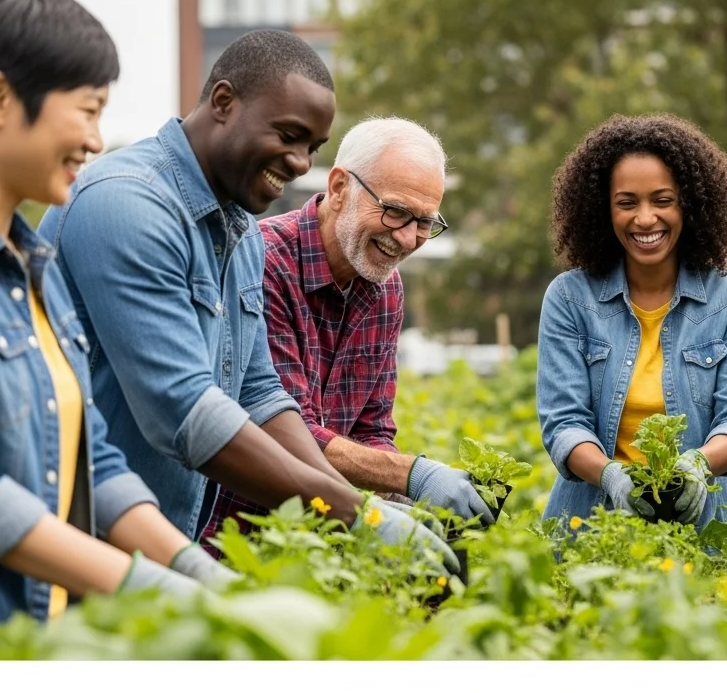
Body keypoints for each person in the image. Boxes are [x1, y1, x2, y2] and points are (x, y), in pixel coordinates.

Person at [38, 30, 457, 574]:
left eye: (312, 146)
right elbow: (183, 408)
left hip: (159, 538)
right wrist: (360, 516)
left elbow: (259, 394)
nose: (300, 162)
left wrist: (364, 512)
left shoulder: (240, 233)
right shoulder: (128, 203)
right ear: (223, 103)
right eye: (289, 135)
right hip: (75, 545)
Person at [0, 0, 239, 650]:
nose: (98, 140)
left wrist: (189, 568)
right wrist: (137, 583)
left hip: (43, 639)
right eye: (89, 110)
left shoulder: (37, 263)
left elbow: (87, 456)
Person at [199, 116, 492, 553]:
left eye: (425, 223)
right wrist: (412, 475)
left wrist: (400, 507)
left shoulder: (384, 285)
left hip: (324, 540)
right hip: (232, 539)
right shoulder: (260, 262)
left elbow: (372, 427)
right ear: (339, 188)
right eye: (395, 211)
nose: (408, 238)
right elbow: (284, 431)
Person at [537, 113, 727, 529]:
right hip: (589, 529)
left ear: (690, 205)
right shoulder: (570, 298)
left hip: (702, 530)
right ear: (602, 210)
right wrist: (612, 477)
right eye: (627, 203)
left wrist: (697, 465)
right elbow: (564, 423)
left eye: (663, 200)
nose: (645, 219)